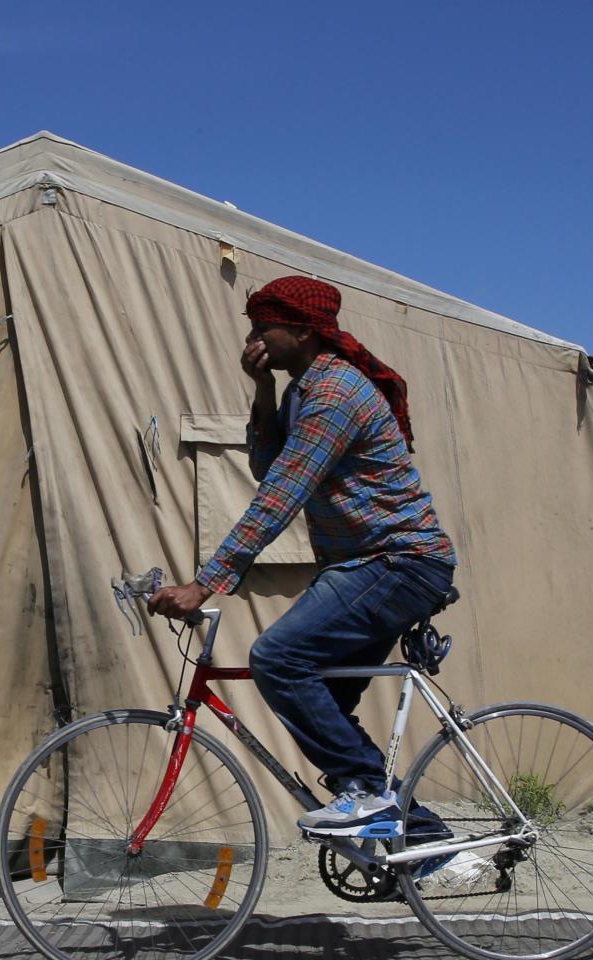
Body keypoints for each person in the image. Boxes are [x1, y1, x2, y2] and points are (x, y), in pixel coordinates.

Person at [148, 275, 457, 837]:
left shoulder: (336, 392)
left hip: (399, 561)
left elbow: (280, 493)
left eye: (263, 326)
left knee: (277, 659)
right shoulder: (301, 391)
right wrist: (262, 388)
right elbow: (267, 464)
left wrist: (204, 584)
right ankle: (423, 842)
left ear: (302, 328)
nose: (253, 337)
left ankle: (369, 795)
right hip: (365, 567)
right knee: (324, 708)